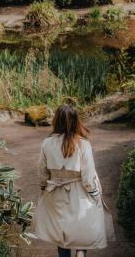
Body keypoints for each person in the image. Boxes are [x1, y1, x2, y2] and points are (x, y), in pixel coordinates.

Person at [32, 104, 115, 257]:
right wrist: (95, 193)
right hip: (80, 192)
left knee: (61, 233)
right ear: (76, 121)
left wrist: (43, 188)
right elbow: (88, 176)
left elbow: (42, 172)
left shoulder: (47, 143)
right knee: (82, 228)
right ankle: (80, 254)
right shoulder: (83, 143)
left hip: (55, 192)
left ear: (56, 120)